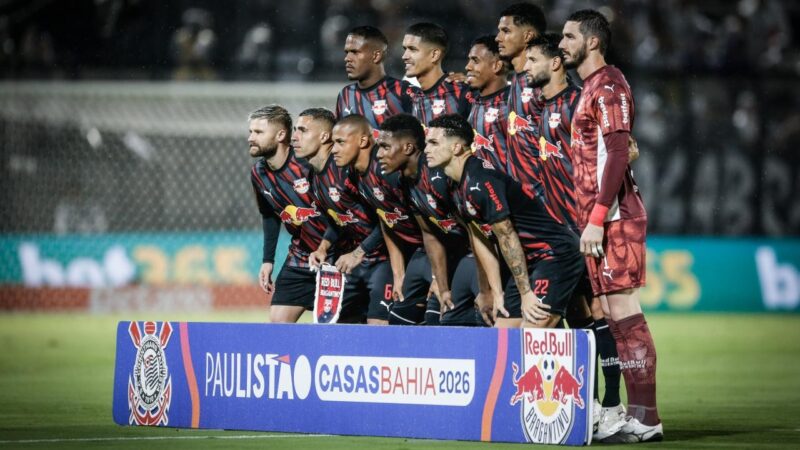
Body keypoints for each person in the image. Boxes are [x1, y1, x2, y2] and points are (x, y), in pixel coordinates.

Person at [560, 9, 663, 442]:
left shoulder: (608, 86)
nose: (561, 43)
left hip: (614, 217)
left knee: (625, 313)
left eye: (569, 36)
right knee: (613, 316)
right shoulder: (590, 88)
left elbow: (619, 153)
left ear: (593, 41)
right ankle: (634, 416)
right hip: (599, 220)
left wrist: (598, 218)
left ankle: (647, 418)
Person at [524, 32, 625, 440]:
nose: (526, 67)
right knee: (580, 315)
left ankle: (613, 406)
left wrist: (597, 217)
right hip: (558, 231)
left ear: (554, 64)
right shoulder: (538, 108)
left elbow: (625, 149)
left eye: (532, 60)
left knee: (600, 313)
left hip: (585, 227)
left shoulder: (579, 102)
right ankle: (593, 405)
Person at [425, 114, 583, 329]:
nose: (427, 149)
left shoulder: (481, 181)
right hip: (524, 261)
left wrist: (526, 293)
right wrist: (495, 292)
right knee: (503, 332)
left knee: (532, 330)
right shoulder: (453, 185)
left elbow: (507, 236)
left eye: (434, 143)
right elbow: (480, 237)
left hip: (553, 254)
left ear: (456, 147)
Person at [377, 113, 484, 326]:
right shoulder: (404, 182)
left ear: (408, 148)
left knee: (459, 319)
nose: (379, 154)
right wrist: (441, 285)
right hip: (453, 253)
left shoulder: (439, 177)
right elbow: (429, 233)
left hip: (478, 253)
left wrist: (485, 287)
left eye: (385, 147)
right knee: (412, 318)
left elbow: (476, 230)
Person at [292, 107, 392, 324]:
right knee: (335, 325)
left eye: (302, 130)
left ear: (323, 136)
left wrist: (358, 252)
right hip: (356, 262)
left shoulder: (348, 171)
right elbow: (339, 219)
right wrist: (323, 247)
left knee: (378, 326)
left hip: (383, 259)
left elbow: (387, 219)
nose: (294, 137)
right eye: (295, 130)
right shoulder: (314, 177)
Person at [329, 114, 424, 325]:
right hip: (411, 252)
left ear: (363, 141)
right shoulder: (356, 174)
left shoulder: (387, 170)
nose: (333, 149)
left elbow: (423, 221)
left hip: (429, 250)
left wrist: (359, 252)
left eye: (340, 142)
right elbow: (387, 221)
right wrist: (398, 274)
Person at [248, 104, 328, 323]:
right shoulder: (258, 173)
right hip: (301, 255)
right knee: (278, 323)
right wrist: (268, 260)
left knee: (338, 325)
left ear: (281, 135)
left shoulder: (308, 164)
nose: (250, 138)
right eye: (250, 132)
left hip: (334, 255)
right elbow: (269, 215)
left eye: (258, 132)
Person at [495, 3, 548, 193]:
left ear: (527, 36)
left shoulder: (545, 81)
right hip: (522, 195)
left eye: (506, 31)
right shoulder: (517, 79)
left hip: (547, 197)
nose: (498, 38)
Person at [336, 25, 420, 130]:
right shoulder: (345, 95)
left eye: (355, 52)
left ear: (376, 56)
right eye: (347, 52)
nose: (347, 58)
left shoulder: (404, 92)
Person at [402, 22, 472, 126]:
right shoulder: (407, 96)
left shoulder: (461, 92)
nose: (404, 56)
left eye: (413, 49)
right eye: (405, 49)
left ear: (434, 55)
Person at [465, 35, 511, 174]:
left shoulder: (511, 104)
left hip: (504, 185)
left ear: (497, 66)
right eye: (469, 60)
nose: (467, 66)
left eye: (475, 60)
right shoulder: (470, 100)